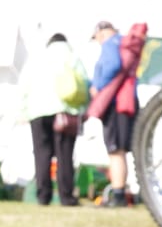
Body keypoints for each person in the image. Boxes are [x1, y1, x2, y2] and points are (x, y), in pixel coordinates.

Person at [18, 32, 89, 206]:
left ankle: (43, 196)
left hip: (37, 111)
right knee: (65, 155)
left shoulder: (36, 59)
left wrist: (24, 112)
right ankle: (66, 197)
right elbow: (83, 85)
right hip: (65, 111)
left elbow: (24, 85)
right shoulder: (72, 57)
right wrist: (83, 110)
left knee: (42, 154)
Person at [87, 19, 147, 203]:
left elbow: (112, 65)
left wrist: (98, 86)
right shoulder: (123, 43)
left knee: (115, 151)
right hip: (127, 101)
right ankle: (125, 192)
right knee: (122, 150)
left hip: (114, 103)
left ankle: (119, 195)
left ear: (101, 32)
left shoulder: (110, 44)